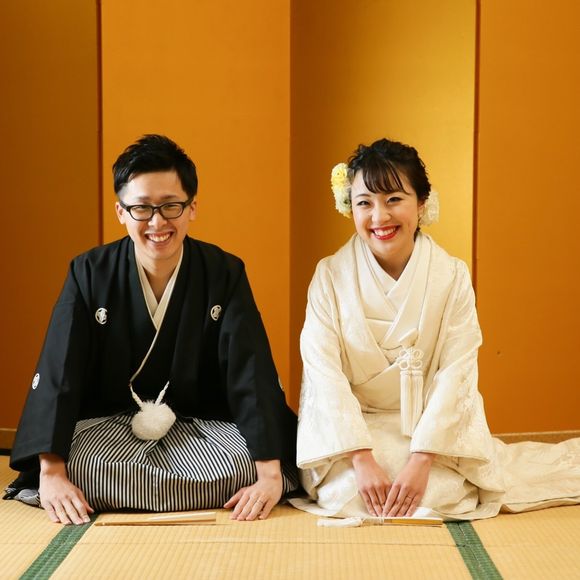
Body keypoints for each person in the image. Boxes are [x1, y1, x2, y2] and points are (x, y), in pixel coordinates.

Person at [6, 134, 298, 524]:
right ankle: (167, 489)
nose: (157, 222)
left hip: (201, 428)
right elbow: (60, 370)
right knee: (76, 464)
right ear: (121, 211)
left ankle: (126, 490)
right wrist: (52, 474)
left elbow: (251, 369)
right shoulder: (89, 272)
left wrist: (268, 475)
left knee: (249, 463)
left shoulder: (223, 272)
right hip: (109, 425)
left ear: (192, 208)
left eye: (171, 206)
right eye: (142, 208)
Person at [293, 137, 580, 520]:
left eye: (394, 199)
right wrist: (361, 458)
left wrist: (422, 459)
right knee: (347, 494)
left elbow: (457, 370)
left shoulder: (451, 275)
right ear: (350, 208)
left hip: (428, 429)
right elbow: (322, 371)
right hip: (354, 434)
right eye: (364, 203)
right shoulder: (330, 276)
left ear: (421, 203)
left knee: (437, 491)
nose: (379, 217)